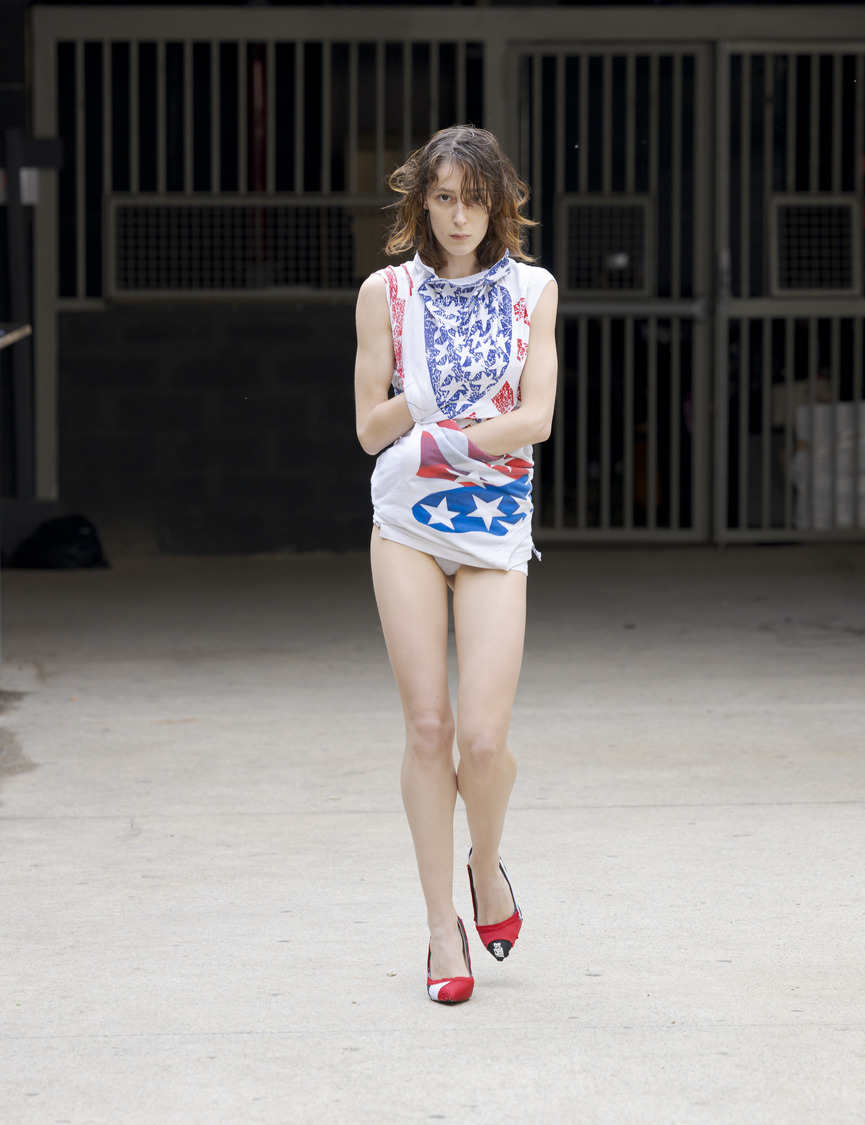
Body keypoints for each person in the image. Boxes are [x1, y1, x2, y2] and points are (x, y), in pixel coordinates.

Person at [354, 125, 558, 1004]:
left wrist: (446, 440)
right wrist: (426, 399)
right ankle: (443, 926)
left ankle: (485, 864)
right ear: (422, 203)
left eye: (474, 199)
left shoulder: (534, 290)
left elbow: (536, 417)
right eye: (443, 197)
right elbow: (369, 429)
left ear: (498, 203)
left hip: (496, 520)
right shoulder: (386, 292)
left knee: (483, 741)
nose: (459, 216)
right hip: (406, 520)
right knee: (429, 730)